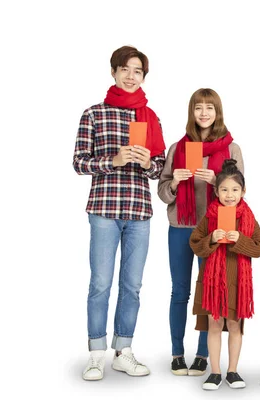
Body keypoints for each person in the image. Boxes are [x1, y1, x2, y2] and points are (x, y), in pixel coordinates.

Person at [73, 45, 166, 381]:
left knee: (133, 285)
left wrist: (148, 163)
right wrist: (111, 161)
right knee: (100, 283)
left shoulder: (150, 116)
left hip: (139, 212)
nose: (131, 76)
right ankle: (96, 353)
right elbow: (79, 162)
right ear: (114, 72)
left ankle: (122, 350)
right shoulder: (94, 113)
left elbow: (160, 168)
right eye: (125, 69)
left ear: (143, 76)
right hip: (103, 209)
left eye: (137, 71)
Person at [158, 88, 244, 376]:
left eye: (210, 107)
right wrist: (173, 183)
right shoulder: (177, 148)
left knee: (210, 292)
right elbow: (162, 191)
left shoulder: (231, 149)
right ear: (191, 113)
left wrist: (216, 181)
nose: (204, 113)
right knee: (179, 290)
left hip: (215, 229)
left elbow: (239, 194)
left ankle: (203, 353)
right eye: (198, 108)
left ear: (218, 112)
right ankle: (177, 352)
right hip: (181, 228)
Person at [189, 159, 260, 390]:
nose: (229, 195)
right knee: (214, 325)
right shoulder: (210, 216)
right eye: (224, 190)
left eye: (234, 190)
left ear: (243, 191)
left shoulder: (248, 217)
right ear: (216, 191)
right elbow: (195, 243)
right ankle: (215, 372)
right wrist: (211, 238)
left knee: (234, 325)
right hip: (212, 282)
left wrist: (240, 240)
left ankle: (232, 371)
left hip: (236, 283)